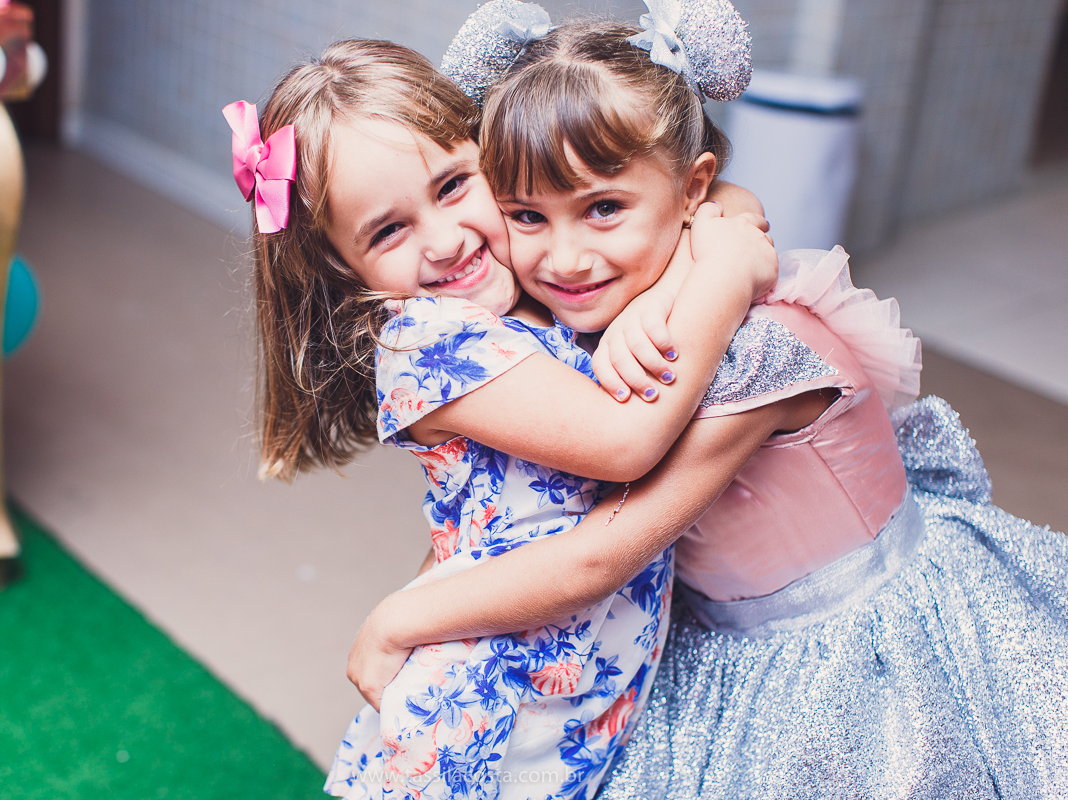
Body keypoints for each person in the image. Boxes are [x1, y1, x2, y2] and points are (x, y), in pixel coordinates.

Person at [346, 12, 1068, 800]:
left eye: (602, 209)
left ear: (690, 189)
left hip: (856, 663)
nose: (564, 258)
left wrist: (398, 620)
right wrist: (684, 269)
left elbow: (599, 552)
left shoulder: (758, 355)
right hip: (709, 639)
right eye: (527, 216)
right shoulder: (590, 304)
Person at [226, 28, 775, 800]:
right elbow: (624, 442)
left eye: (453, 186)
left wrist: (679, 271)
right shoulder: (428, 338)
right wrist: (723, 271)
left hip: (573, 695)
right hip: (486, 713)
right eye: (388, 230)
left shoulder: (532, 279)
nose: (446, 240)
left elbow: (705, 198)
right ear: (342, 264)